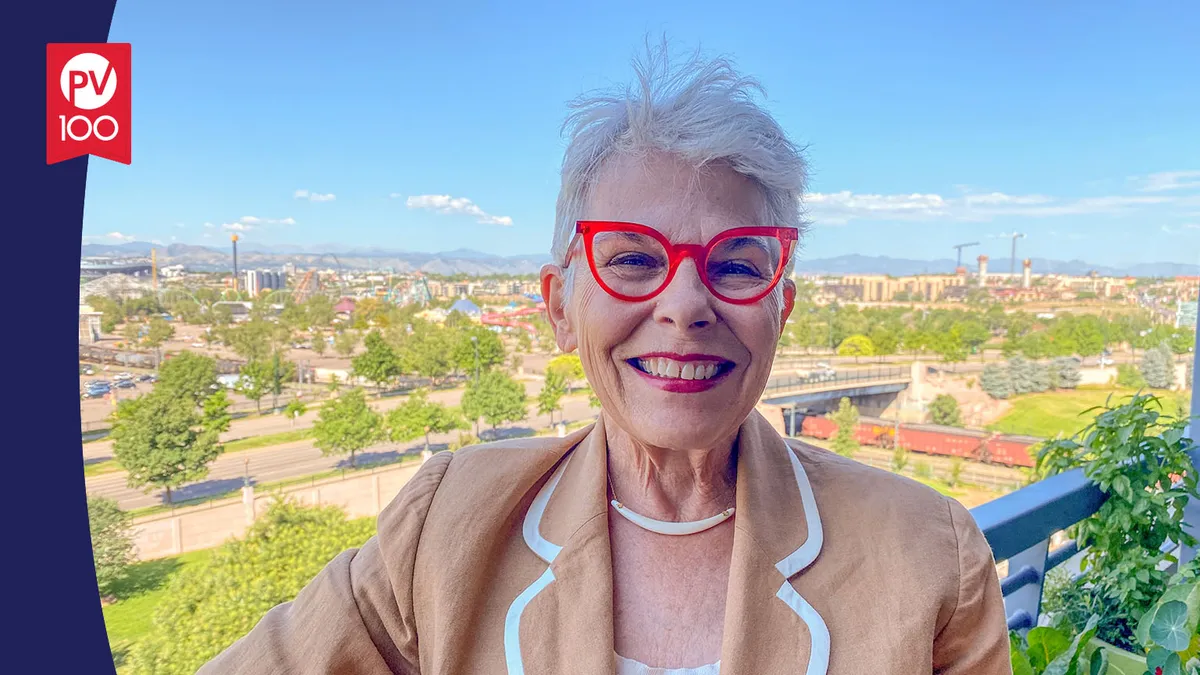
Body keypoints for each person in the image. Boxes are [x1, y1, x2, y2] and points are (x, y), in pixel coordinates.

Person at [200, 42, 1009, 675]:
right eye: (630, 258)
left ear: (779, 307)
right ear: (559, 306)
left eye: (735, 262)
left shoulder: (929, 551)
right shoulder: (443, 530)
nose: (686, 303)